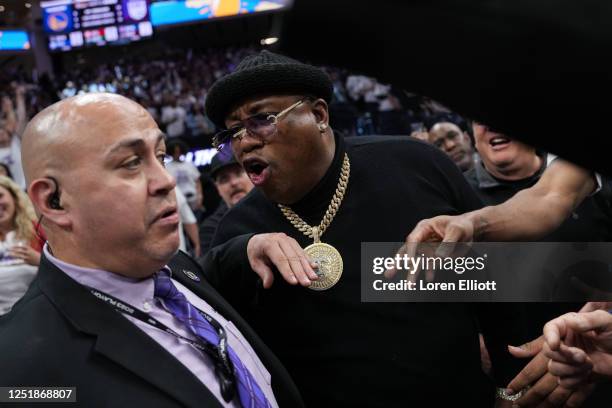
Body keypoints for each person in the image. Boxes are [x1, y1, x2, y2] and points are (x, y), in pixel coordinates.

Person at [203, 50, 535, 407]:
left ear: (318, 114)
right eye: (233, 131)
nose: (245, 141)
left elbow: (498, 291)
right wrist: (236, 255)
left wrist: (510, 387)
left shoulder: (415, 167)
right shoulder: (240, 233)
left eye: (261, 120)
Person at [0, 93, 305, 408]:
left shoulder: (174, 268)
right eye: (131, 163)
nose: (166, 180)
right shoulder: (20, 368)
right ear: (54, 201)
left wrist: (248, 247)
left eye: (159, 157)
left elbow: (209, 268)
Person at [0, 175, 43, 315]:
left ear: (14, 197)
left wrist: (40, 260)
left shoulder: (39, 230)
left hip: (37, 314)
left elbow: (69, 268)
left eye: (0, 196)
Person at [199, 149, 253, 256]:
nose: (233, 183)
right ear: (217, 188)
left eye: (238, 173)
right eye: (224, 179)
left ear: (252, 174)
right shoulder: (211, 228)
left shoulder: (277, 206)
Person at [165, 139, 202, 208]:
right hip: (179, 201)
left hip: (193, 197)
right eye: (174, 152)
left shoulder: (189, 164)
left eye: (178, 151)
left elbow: (197, 182)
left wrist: (200, 197)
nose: (177, 154)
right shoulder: (167, 167)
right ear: (170, 152)